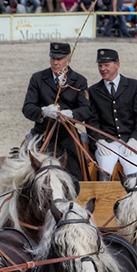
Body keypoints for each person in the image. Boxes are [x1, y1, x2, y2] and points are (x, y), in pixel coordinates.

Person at [22, 42, 94, 187]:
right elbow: (27, 108)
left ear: (67, 59)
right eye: (53, 58)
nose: (55, 63)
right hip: (43, 134)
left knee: (75, 175)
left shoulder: (79, 81)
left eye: (59, 59)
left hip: (68, 135)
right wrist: (43, 111)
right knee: (30, 177)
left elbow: (86, 109)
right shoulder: (37, 78)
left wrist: (71, 114)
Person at [87, 48, 137, 180]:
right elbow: (92, 120)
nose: (102, 69)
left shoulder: (133, 86)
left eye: (106, 65)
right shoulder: (93, 91)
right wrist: (99, 140)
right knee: (105, 165)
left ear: (117, 65)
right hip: (108, 142)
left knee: (132, 168)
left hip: (130, 141)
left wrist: (135, 139)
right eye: (100, 65)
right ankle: (104, 199)